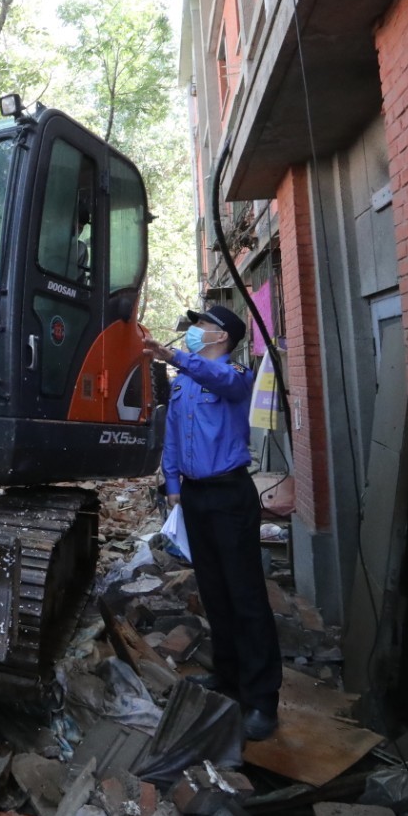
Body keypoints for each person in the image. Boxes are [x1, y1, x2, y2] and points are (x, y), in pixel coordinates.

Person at [144, 304, 282, 741]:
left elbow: (220, 381)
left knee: (245, 596)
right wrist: (171, 484)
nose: (194, 330)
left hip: (229, 494)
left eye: (202, 325)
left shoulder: (235, 376)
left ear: (222, 336)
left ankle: (262, 700)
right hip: (196, 497)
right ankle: (228, 676)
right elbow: (171, 433)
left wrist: (174, 357)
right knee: (215, 592)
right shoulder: (185, 382)